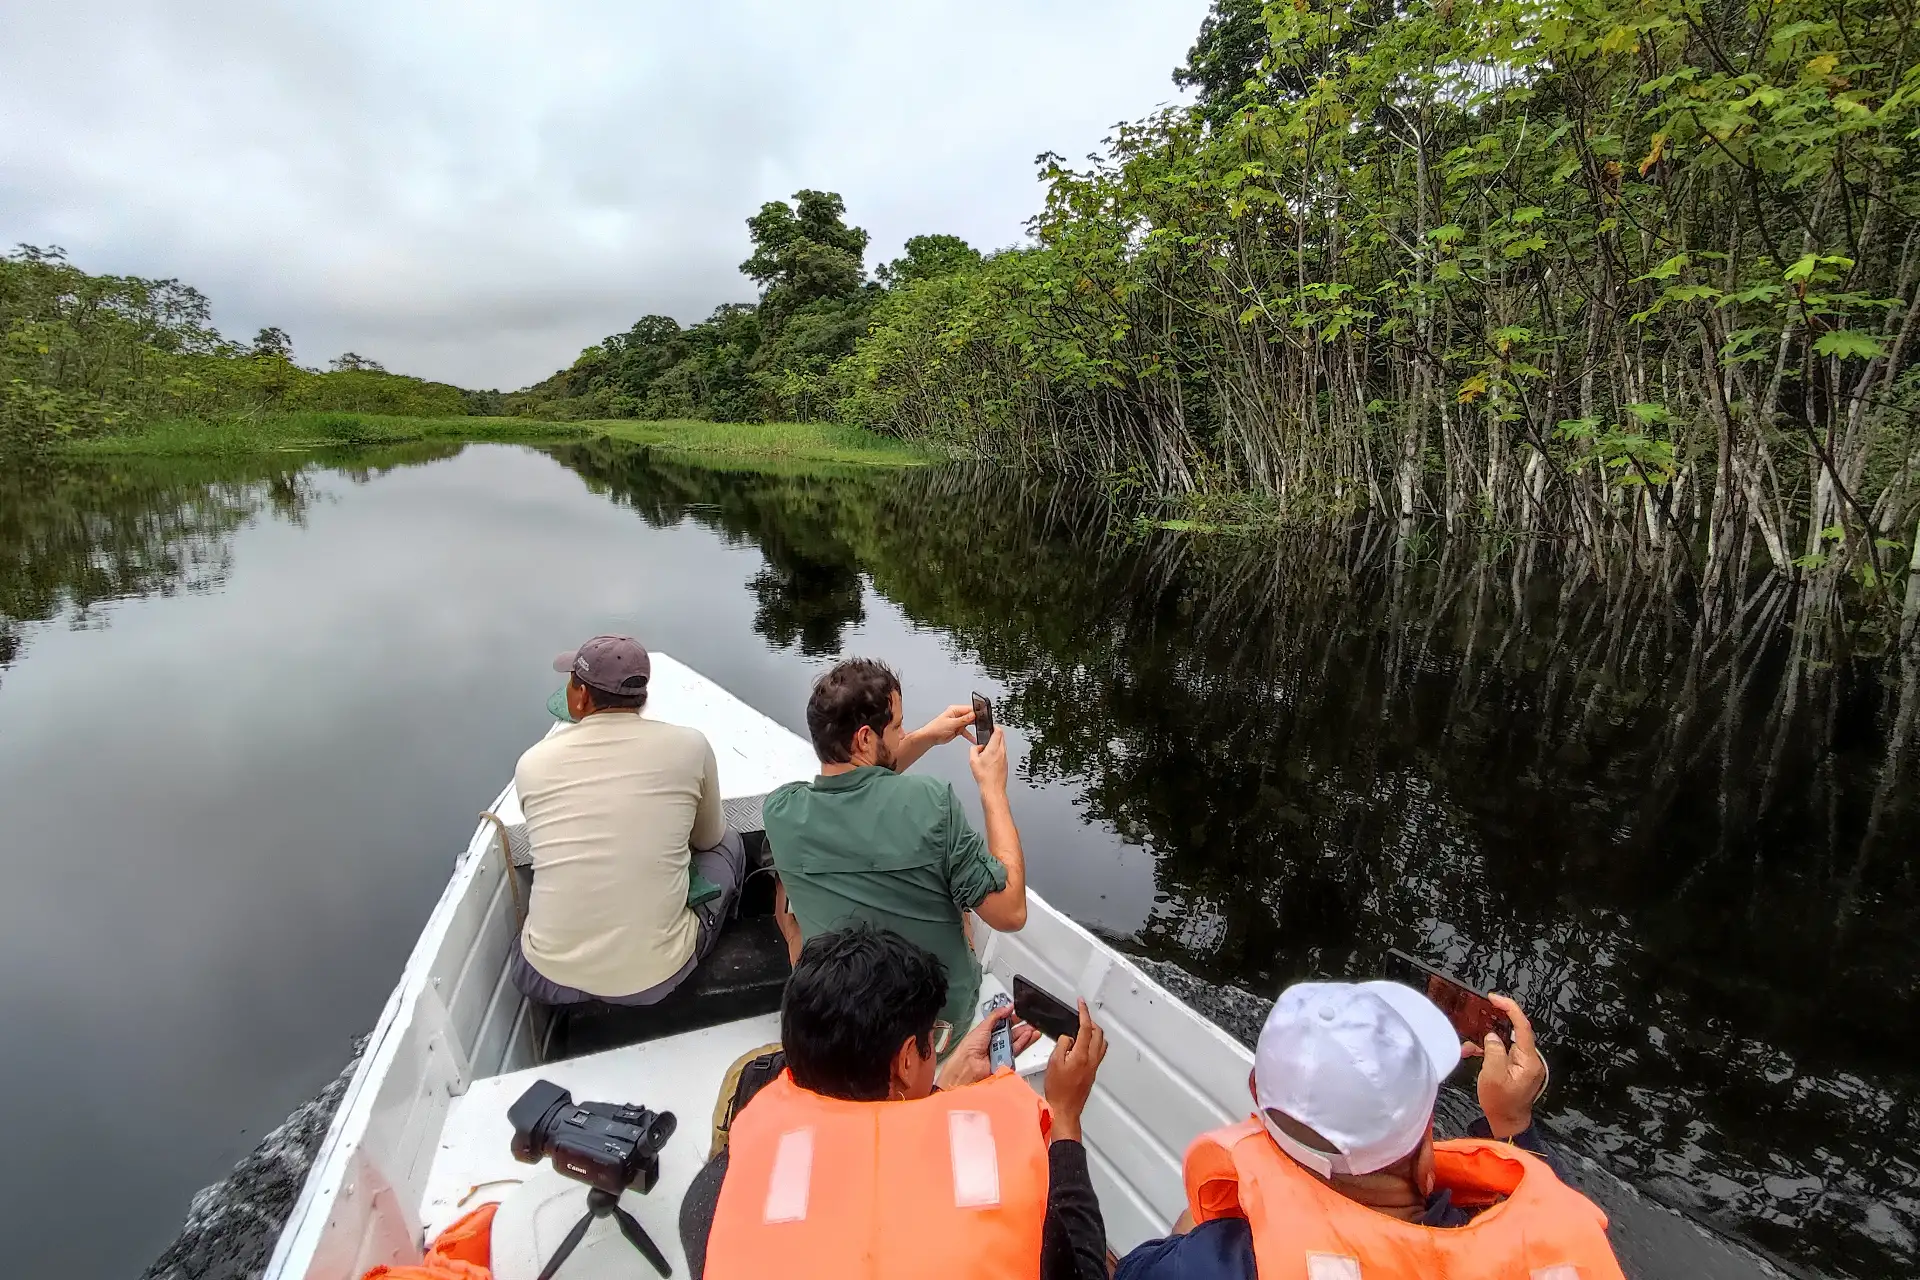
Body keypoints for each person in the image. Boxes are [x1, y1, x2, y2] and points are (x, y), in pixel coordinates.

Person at [1114, 982, 1627, 1280]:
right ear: (1425, 1156)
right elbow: (1548, 1220)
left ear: (1256, 1092)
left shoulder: (1216, 1261)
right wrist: (1512, 1124)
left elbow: (1137, 1270)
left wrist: (1218, 1207)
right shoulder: (1542, 1256)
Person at [694, 924, 1109, 1280]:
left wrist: (940, 1094)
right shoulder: (998, 1178)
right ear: (907, 1059)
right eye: (934, 1037)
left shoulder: (720, 1183)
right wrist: (1065, 1116)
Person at [763, 658, 1028, 1035]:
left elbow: (857, 785)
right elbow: (1011, 912)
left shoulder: (781, 811)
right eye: (899, 726)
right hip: (929, 1030)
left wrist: (927, 736)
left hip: (840, 1023)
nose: (904, 735)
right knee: (962, 900)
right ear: (865, 739)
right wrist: (993, 789)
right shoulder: (931, 802)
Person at [508, 635, 746, 1006]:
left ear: (582, 697)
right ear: (642, 697)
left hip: (545, 978)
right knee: (729, 842)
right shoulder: (690, 746)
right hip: (654, 979)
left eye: (572, 681)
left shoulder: (532, 764)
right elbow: (708, 838)